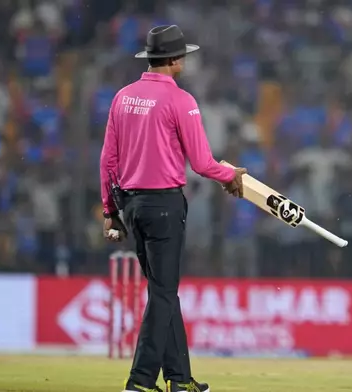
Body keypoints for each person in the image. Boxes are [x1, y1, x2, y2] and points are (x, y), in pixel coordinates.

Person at [99, 25, 247, 392]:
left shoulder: (123, 97)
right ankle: (139, 381)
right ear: (176, 60)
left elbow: (108, 159)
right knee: (163, 294)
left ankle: (179, 380)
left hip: (130, 204)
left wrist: (109, 210)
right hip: (164, 204)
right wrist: (232, 174)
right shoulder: (181, 101)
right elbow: (201, 163)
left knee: (162, 292)